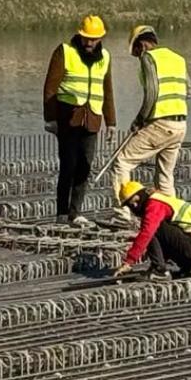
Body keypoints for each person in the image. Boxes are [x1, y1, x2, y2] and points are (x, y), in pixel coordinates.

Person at [43, 15, 116, 227]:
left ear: (100, 38)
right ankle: (62, 213)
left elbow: (107, 91)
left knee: (85, 166)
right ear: (80, 35)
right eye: (86, 38)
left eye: (93, 39)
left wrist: (111, 122)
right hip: (68, 118)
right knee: (68, 165)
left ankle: (76, 213)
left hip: (92, 119)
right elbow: (50, 88)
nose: (89, 43)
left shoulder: (105, 57)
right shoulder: (65, 52)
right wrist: (51, 119)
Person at [110, 25, 190, 204]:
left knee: (122, 162)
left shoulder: (149, 58)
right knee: (165, 176)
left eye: (136, 52)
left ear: (142, 45)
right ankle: (169, 214)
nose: (138, 57)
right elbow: (189, 91)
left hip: (160, 124)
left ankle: (123, 213)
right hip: (180, 126)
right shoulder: (178, 59)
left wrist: (140, 119)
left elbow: (152, 93)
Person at [113, 180, 191, 279]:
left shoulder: (154, 204)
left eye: (135, 201)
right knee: (156, 229)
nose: (135, 206)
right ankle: (188, 266)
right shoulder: (159, 198)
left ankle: (159, 271)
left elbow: (147, 233)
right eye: (131, 205)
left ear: (142, 194)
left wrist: (129, 261)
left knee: (152, 228)